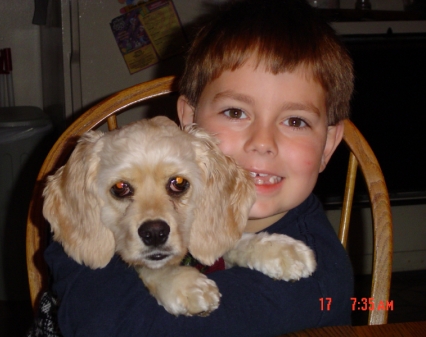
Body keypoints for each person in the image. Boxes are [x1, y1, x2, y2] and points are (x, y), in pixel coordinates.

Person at [37, 0, 354, 336]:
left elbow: (116, 326)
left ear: (329, 145)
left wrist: (67, 257)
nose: (263, 142)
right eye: (235, 113)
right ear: (188, 122)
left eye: (295, 120)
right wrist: (78, 230)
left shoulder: (315, 283)